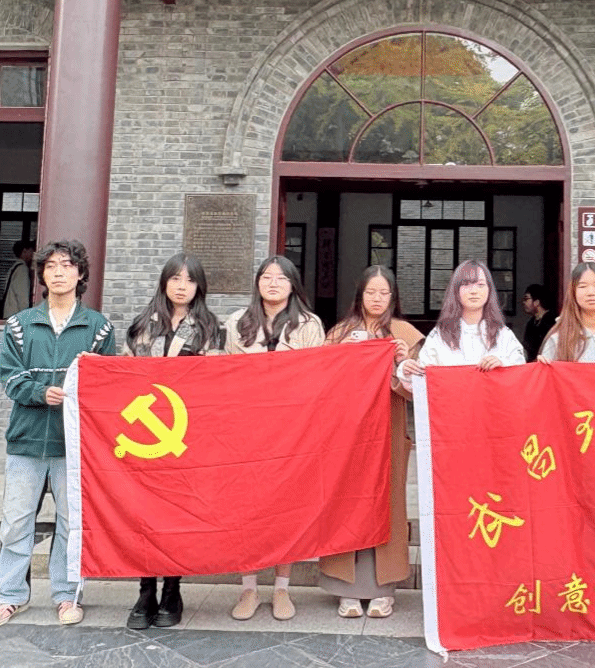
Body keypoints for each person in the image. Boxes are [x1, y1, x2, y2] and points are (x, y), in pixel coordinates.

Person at [0, 239, 117, 629]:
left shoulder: (98, 328)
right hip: (25, 440)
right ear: (41, 274)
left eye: (67, 265)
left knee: (71, 523)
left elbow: (109, 383)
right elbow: (10, 378)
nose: (59, 272)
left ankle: (66, 595)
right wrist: (40, 393)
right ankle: (10, 597)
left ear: (81, 273)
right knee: (16, 522)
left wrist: (87, 383)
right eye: (51, 266)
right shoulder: (19, 325)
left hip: (73, 444)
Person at [121, 253, 222, 630]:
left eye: (190, 280)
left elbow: (216, 381)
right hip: (144, 435)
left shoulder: (210, 328)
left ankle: (172, 590)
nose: (182, 286)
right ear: (164, 282)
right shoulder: (141, 325)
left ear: (199, 287)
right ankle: (145, 590)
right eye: (175, 278)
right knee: (144, 514)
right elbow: (123, 375)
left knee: (176, 513)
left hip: (186, 430)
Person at [223, 255, 326, 622]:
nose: (273, 283)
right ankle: (248, 587)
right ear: (258, 282)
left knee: (286, 508)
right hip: (246, 430)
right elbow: (222, 374)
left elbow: (318, 377)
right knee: (247, 509)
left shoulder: (309, 324)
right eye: (267, 277)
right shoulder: (237, 322)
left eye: (282, 278)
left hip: (291, 432)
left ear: (293, 285)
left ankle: (282, 587)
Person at [318, 266, 424, 620]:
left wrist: (402, 362)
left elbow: (420, 390)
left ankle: (383, 590)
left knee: (388, 502)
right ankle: (345, 590)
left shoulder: (406, 335)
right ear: (359, 295)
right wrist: (341, 356)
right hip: (347, 433)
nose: (377, 299)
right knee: (347, 502)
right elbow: (321, 382)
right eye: (371, 292)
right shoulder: (339, 333)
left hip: (389, 429)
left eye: (384, 293)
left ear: (393, 297)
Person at [398, 260, 524, 389]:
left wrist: (503, 365)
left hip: (492, 401)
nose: (474, 291)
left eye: (480, 285)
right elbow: (423, 380)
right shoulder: (440, 335)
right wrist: (407, 370)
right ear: (455, 291)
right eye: (466, 284)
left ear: (489, 290)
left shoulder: (503, 334)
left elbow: (522, 375)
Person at [520, 283, 557, 363]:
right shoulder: (531, 323)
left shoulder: (552, 321)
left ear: (537, 302)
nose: (523, 302)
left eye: (526, 299)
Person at [1, 239, 35, 318]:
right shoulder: (22, 269)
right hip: (17, 316)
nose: (33, 254)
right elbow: (22, 296)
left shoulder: (15, 267)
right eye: (31, 251)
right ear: (24, 251)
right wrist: (26, 316)